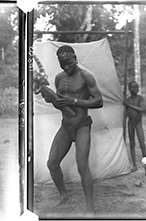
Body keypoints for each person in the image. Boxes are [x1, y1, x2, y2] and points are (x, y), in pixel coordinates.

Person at [41, 45, 103, 213]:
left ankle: (90, 210)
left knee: (82, 166)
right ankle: (64, 196)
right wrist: (52, 99)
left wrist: (74, 102)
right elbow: (59, 102)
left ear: (75, 58)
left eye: (69, 62)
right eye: (62, 64)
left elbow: (99, 101)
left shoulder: (86, 76)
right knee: (52, 164)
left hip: (82, 126)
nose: (66, 66)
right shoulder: (59, 78)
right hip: (66, 126)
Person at [125, 81, 146, 176]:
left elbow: (142, 109)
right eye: (133, 87)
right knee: (132, 144)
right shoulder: (127, 100)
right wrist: (126, 107)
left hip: (138, 123)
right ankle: (134, 165)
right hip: (130, 123)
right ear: (129, 89)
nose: (136, 89)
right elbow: (126, 113)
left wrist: (129, 106)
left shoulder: (140, 98)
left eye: (137, 87)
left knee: (142, 144)